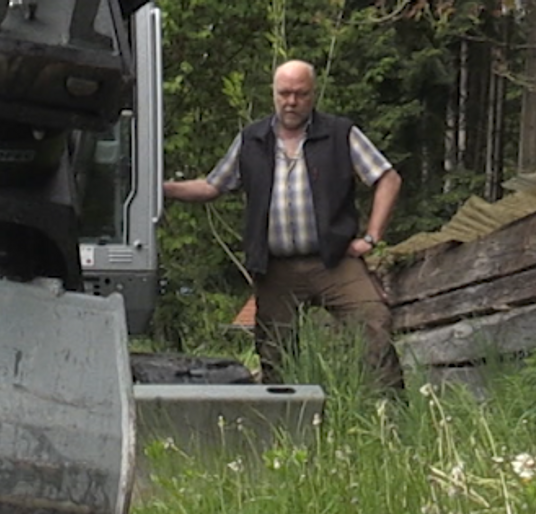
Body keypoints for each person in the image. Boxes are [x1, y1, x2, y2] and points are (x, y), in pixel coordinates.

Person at [163, 59, 402, 390]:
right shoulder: (252, 139)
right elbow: (212, 186)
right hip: (275, 268)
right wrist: (161, 189)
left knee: (374, 321)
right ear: (273, 94)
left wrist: (371, 237)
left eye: (300, 94)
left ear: (313, 94)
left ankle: (389, 412)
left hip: (333, 259)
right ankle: (284, 422)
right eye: (284, 93)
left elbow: (388, 178)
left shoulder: (339, 133)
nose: (291, 102)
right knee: (275, 351)